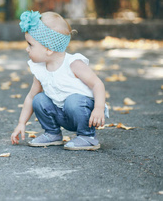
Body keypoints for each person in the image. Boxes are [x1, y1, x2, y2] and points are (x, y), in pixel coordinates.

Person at [11, 11, 108, 150]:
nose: (27, 49)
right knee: (38, 99)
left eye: (30, 45)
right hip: (62, 113)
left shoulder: (73, 63)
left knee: (73, 101)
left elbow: (97, 84)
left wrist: (98, 108)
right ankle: (52, 133)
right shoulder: (40, 69)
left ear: (48, 49)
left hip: (84, 112)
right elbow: (31, 97)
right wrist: (21, 123)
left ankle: (87, 136)